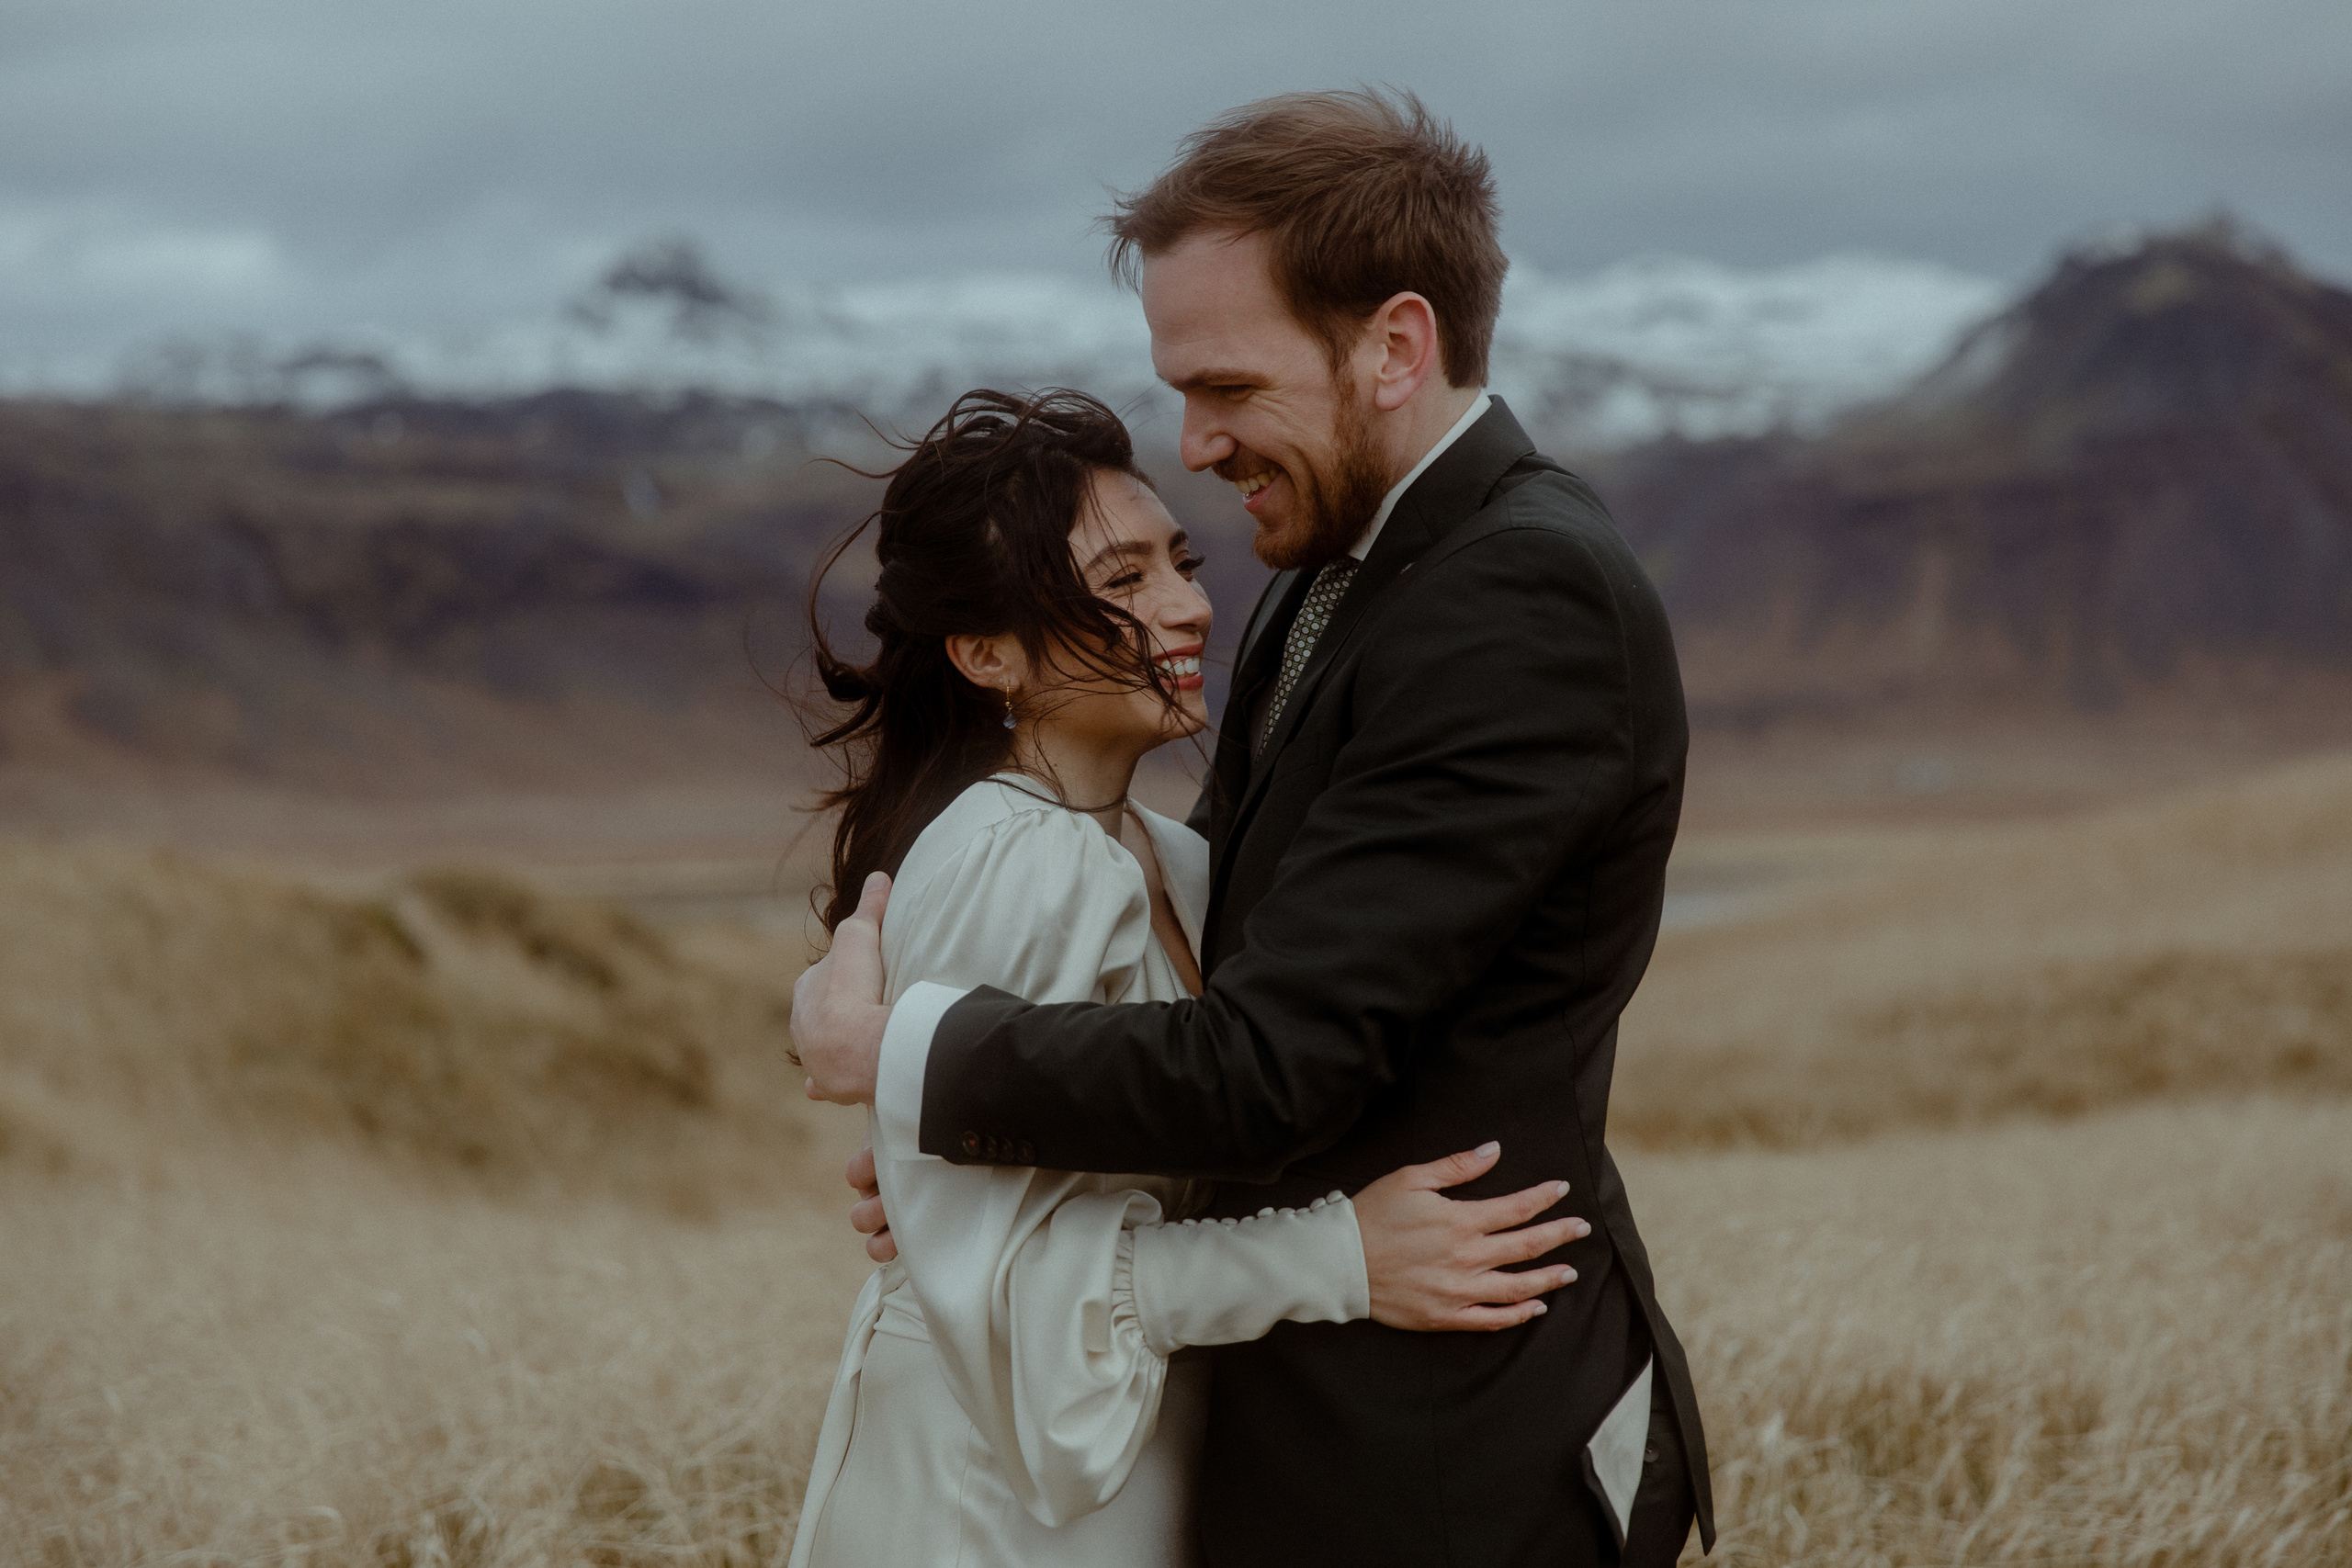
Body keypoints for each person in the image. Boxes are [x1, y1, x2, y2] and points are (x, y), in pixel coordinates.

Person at [795, 89, 1714, 1567]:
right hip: (1294, 1412)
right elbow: (1223, 952)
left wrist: (907, 1058)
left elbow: (1271, 1062)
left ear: (1394, 345)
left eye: (1226, 384)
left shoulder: (1517, 596)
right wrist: (979, 1162)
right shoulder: (1333, 567)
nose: (1198, 441)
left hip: (1442, 1451)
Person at [786, 388, 1597, 1568]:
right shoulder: (1018, 859)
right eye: (1119, 584)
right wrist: (1340, 1260)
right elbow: (1014, 1294)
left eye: (1179, 560)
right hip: (982, 1496)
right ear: (984, 654)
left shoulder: (1163, 854)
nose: (1186, 607)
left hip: (1117, 1462)